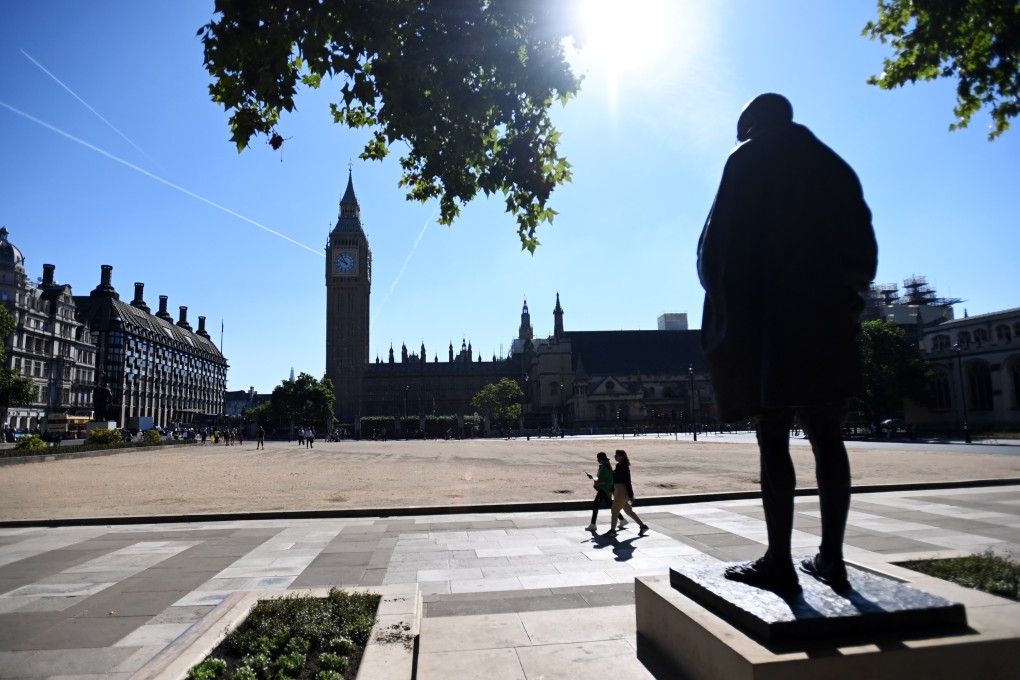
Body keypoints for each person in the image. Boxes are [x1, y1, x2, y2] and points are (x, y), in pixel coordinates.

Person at [697, 93, 878, 595]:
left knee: (773, 435)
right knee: (828, 436)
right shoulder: (833, 166)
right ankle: (832, 559)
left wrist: (724, 305)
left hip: (769, 321)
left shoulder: (748, 159)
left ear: (754, 123)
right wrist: (844, 302)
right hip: (827, 322)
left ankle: (779, 560)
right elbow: (864, 250)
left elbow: (717, 248)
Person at [607, 450, 649, 536]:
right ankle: (642, 526)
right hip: (618, 490)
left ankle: (612, 530)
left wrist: (631, 495)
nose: (615, 456)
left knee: (614, 510)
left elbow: (627, 481)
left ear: (621, 457)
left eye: (617, 455)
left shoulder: (624, 467)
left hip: (621, 491)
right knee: (628, 511)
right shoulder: (619, 465)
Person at [585, 451, 618, 532]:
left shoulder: (606, 468)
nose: (598, 461)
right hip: (603, 488)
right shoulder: (603, 467)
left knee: (596, 504)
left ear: (602, 459)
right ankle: (622, 519)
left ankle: (593, 524)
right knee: (609, 504)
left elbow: (610, 480)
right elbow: (601, 478)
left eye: (599, 459)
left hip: (604, 489)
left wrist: (600, 482)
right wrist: (593, 477)